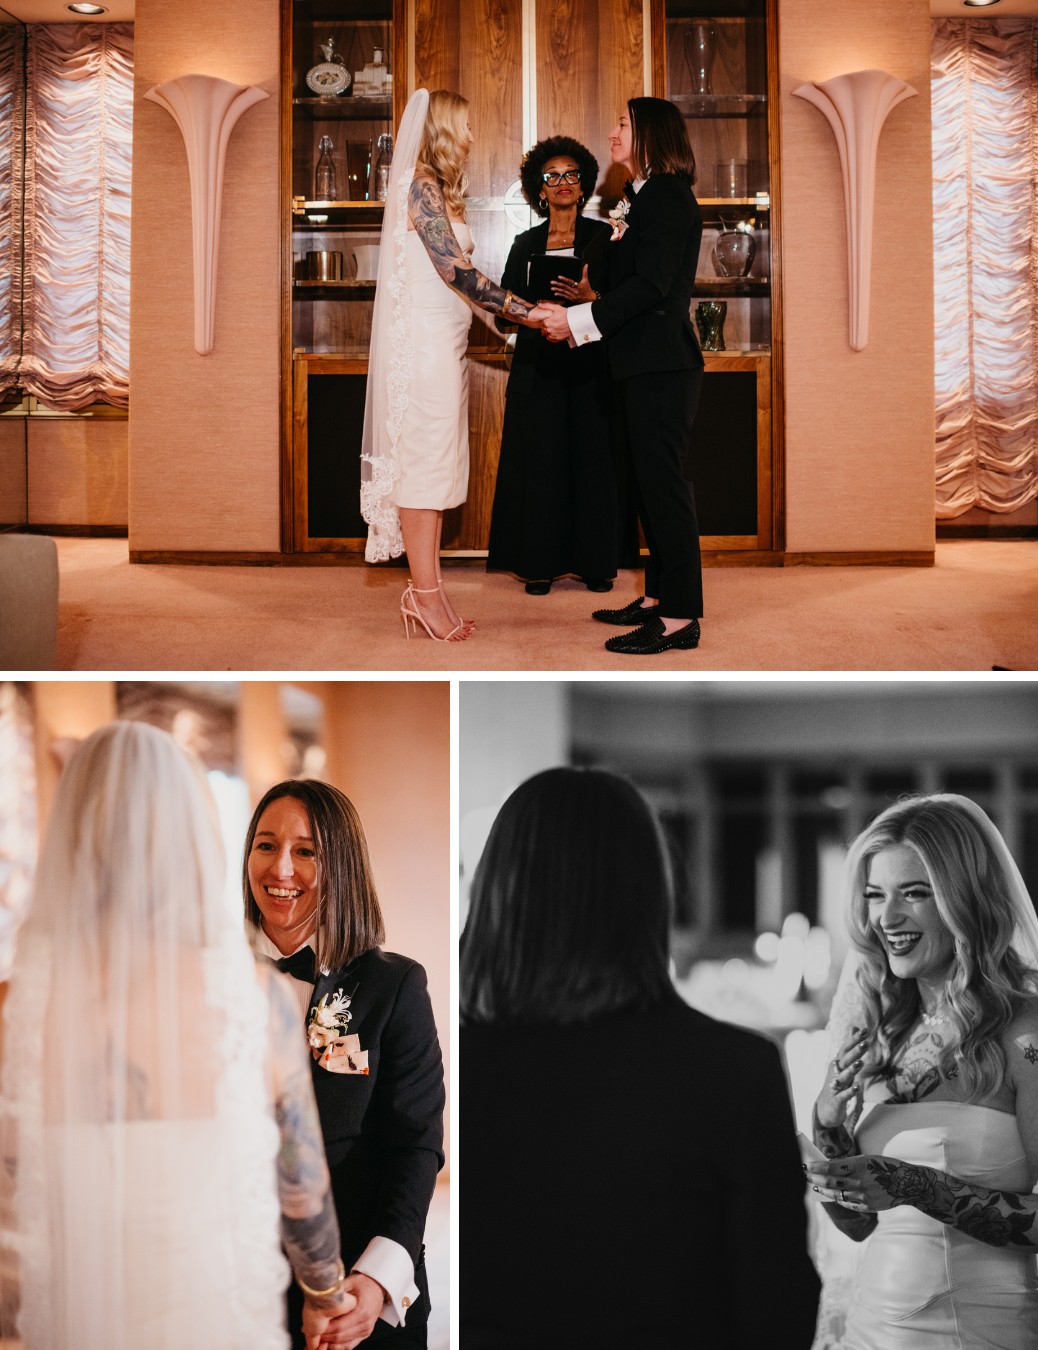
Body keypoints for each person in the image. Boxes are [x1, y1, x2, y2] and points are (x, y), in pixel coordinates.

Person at [0, 721, 354, 1349]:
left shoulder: (17, 1010)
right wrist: (325, 1294)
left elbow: (8, 1203)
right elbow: (302, 1182)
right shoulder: (255, 998)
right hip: (214, 1319)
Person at [459, 766, 820, 1350]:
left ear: (498, 891)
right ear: (649, 893)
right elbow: (777, 1313)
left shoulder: (451, 1062)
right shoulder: (735, 1072)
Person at [805, 794, 1038, 1349]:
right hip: (868, 1334)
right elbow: (859, 1225)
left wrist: (913, 1184)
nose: (887, 919)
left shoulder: (1031, 1034)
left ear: (965, 900)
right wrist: (829, 1122)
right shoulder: (885, 1033)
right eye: (875, 896)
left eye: (915, 894)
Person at [243, 779, 445, 1349]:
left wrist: (374, 1281)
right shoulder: (210, 981)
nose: (281, 868)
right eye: (265, 844)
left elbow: (416, 1145)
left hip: (358, 1286)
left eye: (306, 851)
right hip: (237, 1286)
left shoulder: (394, 986)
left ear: (342, 864)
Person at [360, 88, 545, 642]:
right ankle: (425, 597)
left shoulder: (438, 192)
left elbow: (460, 290)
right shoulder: (419, 187)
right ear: (441, 130)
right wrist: (530, 313)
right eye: (463, 127)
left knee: (437, 472)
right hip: (421, 351)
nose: (470, 137)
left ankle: (428, 590)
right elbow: (459, 274)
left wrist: (507, 328)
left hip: (446, 346)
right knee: (423, 472)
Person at [537, 98, 704, 656]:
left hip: (660, 364)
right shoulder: (639, 197)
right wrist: (593, 292)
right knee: (646, 491)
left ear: (651, 132)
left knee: (665, 492)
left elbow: (654, 285)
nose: (612, 133)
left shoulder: (667, 194)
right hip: (636, 362)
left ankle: (680, 618)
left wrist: (579, 318)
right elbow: (614, 279)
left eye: (624, 125)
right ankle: (657, 600)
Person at [486, 135, 636, 595]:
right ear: (540, 188)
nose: (563, 182)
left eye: (571, 174)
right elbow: (500, 307)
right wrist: (537, 310)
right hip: (539, 369)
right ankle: (539, 566)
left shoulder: (606, 237)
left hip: (592, 364)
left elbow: (627, 301)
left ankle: (596, 565)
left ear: (584, 182)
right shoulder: (523, 242)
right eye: (552, 176)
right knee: (541, 466)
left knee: (594, 465)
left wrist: (590, 300)